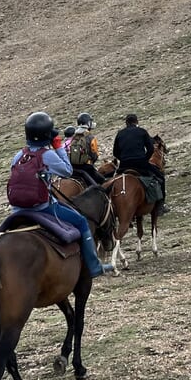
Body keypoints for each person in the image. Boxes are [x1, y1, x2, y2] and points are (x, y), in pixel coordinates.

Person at [9, 111, 113, 278]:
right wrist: (58, 147)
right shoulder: (47, 155)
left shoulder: (18, 156)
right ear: (47, 135)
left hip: (16, 209)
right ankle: (94, 267)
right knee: (80, 221)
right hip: (42, 207)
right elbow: (67, 171)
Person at [112, 113, 168, 213]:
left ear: (126, 123)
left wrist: (124, 159)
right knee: (160, 177)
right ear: (137, 122)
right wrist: (144, 159)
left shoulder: (120, 134)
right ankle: (160, 205)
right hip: (140, 164)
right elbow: (151, 148)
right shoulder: (142, 132)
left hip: (124, 165)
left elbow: (115, 152)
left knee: (112, 180)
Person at [66, 112, 105, 185]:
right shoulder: (90, 137)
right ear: (88, 123)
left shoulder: (74, 136)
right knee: (103, 183)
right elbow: (94, 155)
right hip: (87, 167)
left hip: (73, 168)